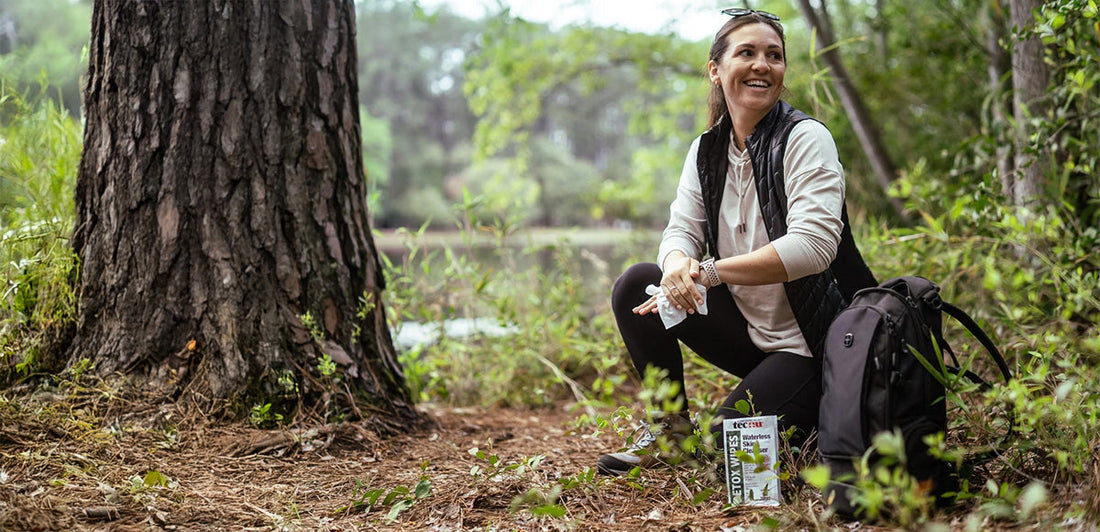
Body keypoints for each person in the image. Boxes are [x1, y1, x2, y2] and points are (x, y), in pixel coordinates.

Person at [597, 8, 876, 476]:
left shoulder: (806, 138)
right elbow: (681, 230)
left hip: (816, 345)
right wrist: (675, 265)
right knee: (637, 284)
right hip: (750, 335)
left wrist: (707, 273)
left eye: (774, 55)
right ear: (716, 70)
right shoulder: (707, 149)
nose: (762, 65)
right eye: (746, 53)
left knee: (732, 445)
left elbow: (814, 246)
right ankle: (670, 435)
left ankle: (807, 415)